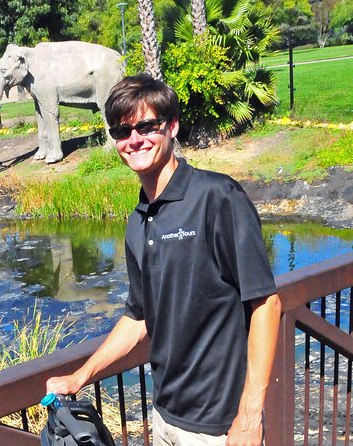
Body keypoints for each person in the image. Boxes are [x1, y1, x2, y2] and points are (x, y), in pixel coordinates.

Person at [46, 75, 281, 446]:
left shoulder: (216, 197)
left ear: (171, 126)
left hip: (220, 425)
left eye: (146, 126)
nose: (134, 139)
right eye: (122, 131)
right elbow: (138, 317)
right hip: (165, 416)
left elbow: (266, 303)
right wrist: (82, 375)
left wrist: (250, 416)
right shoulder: (138, 221)